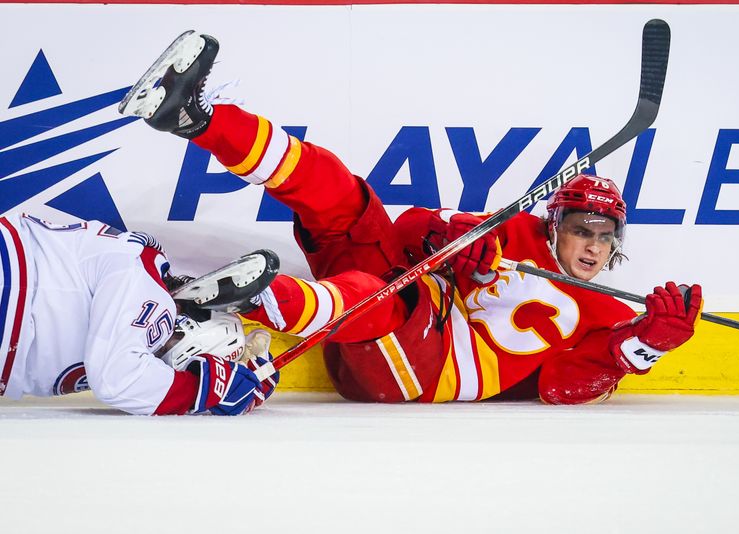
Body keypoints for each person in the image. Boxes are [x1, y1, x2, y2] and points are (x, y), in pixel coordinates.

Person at [122, 31, 703, 404]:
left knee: (384, 297)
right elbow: (406, 231)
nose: (594, 246)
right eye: (583, 229)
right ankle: (197, 118)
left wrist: (644, 345)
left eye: (605, 237)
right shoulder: (515, 228)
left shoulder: (608, 313)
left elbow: (561, 388)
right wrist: (442, 236)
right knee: (346, 199)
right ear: (557, 224)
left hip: (421, 372)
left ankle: (262, 299)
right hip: (389, 321)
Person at [0, 214, 279, 415]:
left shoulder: (140, 270)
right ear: (184, 327)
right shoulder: (146, 284)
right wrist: (204, 390)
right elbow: (118, 379)